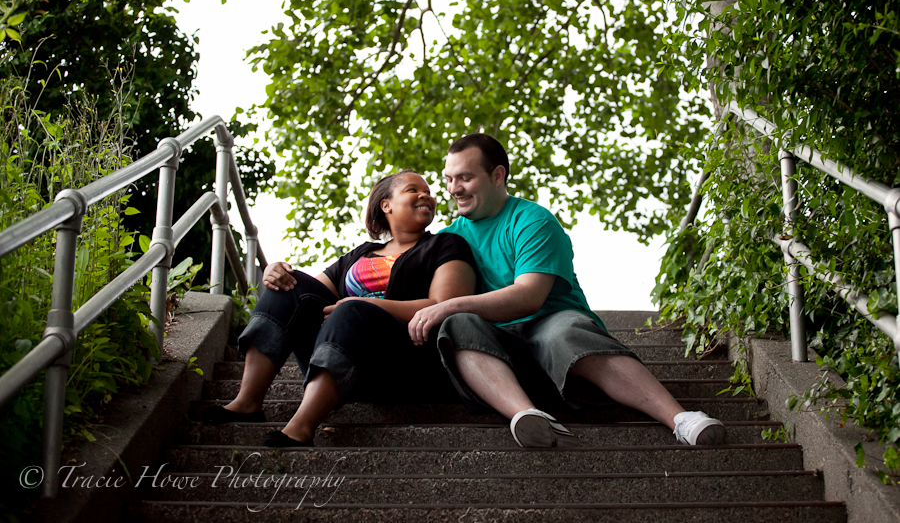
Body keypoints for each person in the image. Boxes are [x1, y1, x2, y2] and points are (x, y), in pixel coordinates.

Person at [406, 134, 727, 448]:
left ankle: (680, 419)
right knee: (458, 324)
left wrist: (447, 306)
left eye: (464, 177)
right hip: (501, 349)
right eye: (448, 179)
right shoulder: (449, 238)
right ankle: (526, 415)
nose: (453, 189)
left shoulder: (531, 220)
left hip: (553, 327)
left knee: (561, 332)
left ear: (498, 175)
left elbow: (529, 296)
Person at [201, 170, 476, 447]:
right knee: (289, 285)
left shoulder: (445, 245)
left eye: (428, 191)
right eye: (413, 190)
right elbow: (306, 294)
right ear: (386, 204)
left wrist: (366, 304)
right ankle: (248, 402)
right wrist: (276, 272)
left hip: (407, 364)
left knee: (350, 311)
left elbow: (445, 306)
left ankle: (301, 427)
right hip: (345, 359)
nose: (425, 195)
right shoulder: (360, 255)